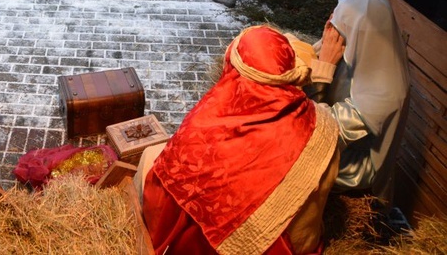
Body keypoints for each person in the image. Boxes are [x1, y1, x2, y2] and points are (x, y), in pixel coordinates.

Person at [141, 25, 339, 254]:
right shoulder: (325, 128)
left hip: (212, 247)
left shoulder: (202, 124)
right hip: (293, 246)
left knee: (151, 156)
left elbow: (162, 194)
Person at [308, 0, 409, 206]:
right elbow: (310, 56)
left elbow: (319, 135)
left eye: (339, 20)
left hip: (355, 167)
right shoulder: (355, 49)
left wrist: (322, 71)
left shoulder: (384, 90)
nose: (331, 22)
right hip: (331, 132)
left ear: (357, 33)